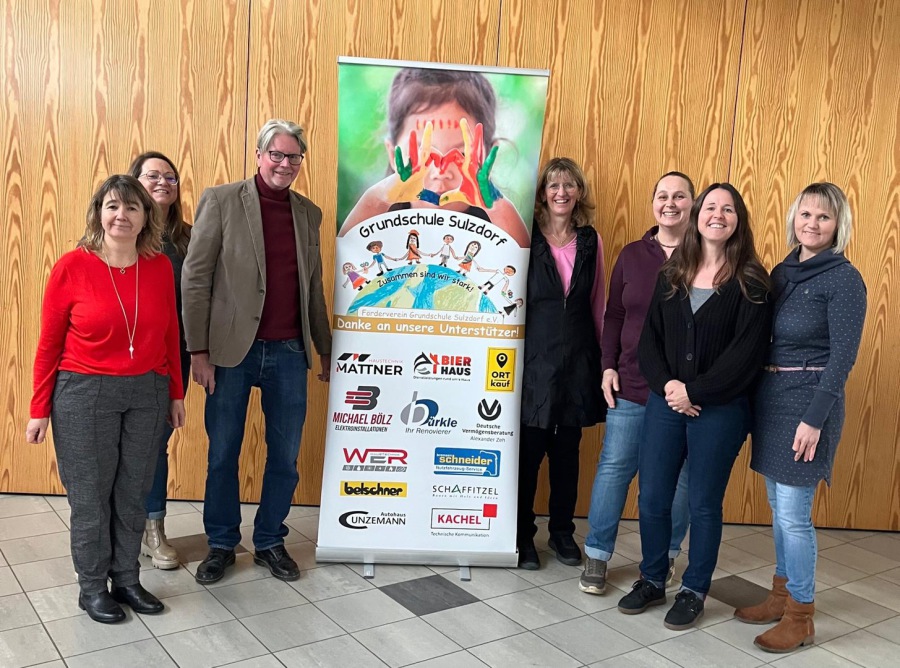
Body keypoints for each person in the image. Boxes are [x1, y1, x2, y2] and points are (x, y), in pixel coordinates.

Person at [26, 175, 185, 623]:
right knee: (91, 497)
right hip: (84, 391)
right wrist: (39, 409)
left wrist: (175, 393)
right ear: (99, 212)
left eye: (132, 207)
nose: (122, 215)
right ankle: (93, 587)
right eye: (112, 206)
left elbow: (170, 334)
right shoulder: (71, 267)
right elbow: (48, 344)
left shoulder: (159, 267)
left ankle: (127, 578)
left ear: (146, 216)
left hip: (147, 391)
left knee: (133, 491)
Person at [182, 118, 332, 585]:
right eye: (277, 155)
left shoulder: (309, 213)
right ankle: (221, 543)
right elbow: (195, 278)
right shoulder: (222, 200)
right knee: (222, 454)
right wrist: (198, 351)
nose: (285, 164)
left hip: (289, 352)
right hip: (229, 354)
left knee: (284, 457)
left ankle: (269, 540)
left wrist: (324, 347)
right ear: (259, 155)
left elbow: (313, 287)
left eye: (294, 157)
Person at [617, 183, 771, 630]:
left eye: (728, 209)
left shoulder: (753, 281)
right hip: (666, 402)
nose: (717, 215)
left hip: (720, 411)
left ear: (738, 220)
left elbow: (745, 357)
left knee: (703, 504)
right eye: (710, 207)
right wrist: (669, 386)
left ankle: (693, 590)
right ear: (698, 215)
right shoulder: (672, 273)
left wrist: (694, 392)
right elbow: (649, 341)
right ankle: (651, 578)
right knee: (652, 497)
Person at [734, 183, 866, 653]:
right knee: (778, 506)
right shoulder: (782, 271)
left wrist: (814, 418)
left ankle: (800, 616)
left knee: (793, 515)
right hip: (773, 398)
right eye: (805, 214)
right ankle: (780, 594)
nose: (812, 223)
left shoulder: (844, 280)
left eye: (823, 217)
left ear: (838, 225)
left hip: (808, 403)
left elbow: (842, 358)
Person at [581, 172, 695, 595]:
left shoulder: (705, 255)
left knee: (678, 477)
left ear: (692, 204)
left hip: (682, 391)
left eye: (679, 196)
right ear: (653, 204)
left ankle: (665, 556)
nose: (670, 203)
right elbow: (614, 314)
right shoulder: (632, 254)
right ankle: (597, 554)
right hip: (630, 381)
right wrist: (607, 365)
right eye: (662, 196)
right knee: (615, 468)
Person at [517, 157, 606, 570]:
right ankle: (522, 534)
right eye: (554, 185)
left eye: (569, 185)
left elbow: (598, 303)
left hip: (578, 362)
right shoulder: (526, 238)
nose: (561, 192)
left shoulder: (590, 241)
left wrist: (604, 361)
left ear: (579, 192)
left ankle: (562, 532)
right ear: (542, 193)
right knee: (529, 454)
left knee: (567, 454)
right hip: (534, 361)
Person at [340, 68, 529, 247]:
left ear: (488, 156)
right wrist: (378, 199)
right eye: (422, 153)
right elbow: (343, 257)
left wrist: (494, 204)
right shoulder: (377, 230)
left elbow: (521, 259)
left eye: (463, 154)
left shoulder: (496, 234)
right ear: (392, 154)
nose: (440, 171)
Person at [128, 151, 192, 570]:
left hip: (175, 355)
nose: (163, 182)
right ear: (134, 181)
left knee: (155, 442)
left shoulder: (190, 237)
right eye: (152, 175)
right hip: (125, 357)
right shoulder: (121, 231)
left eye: (170, 177)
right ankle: (121, 529)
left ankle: (153, 529)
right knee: (120, 445)